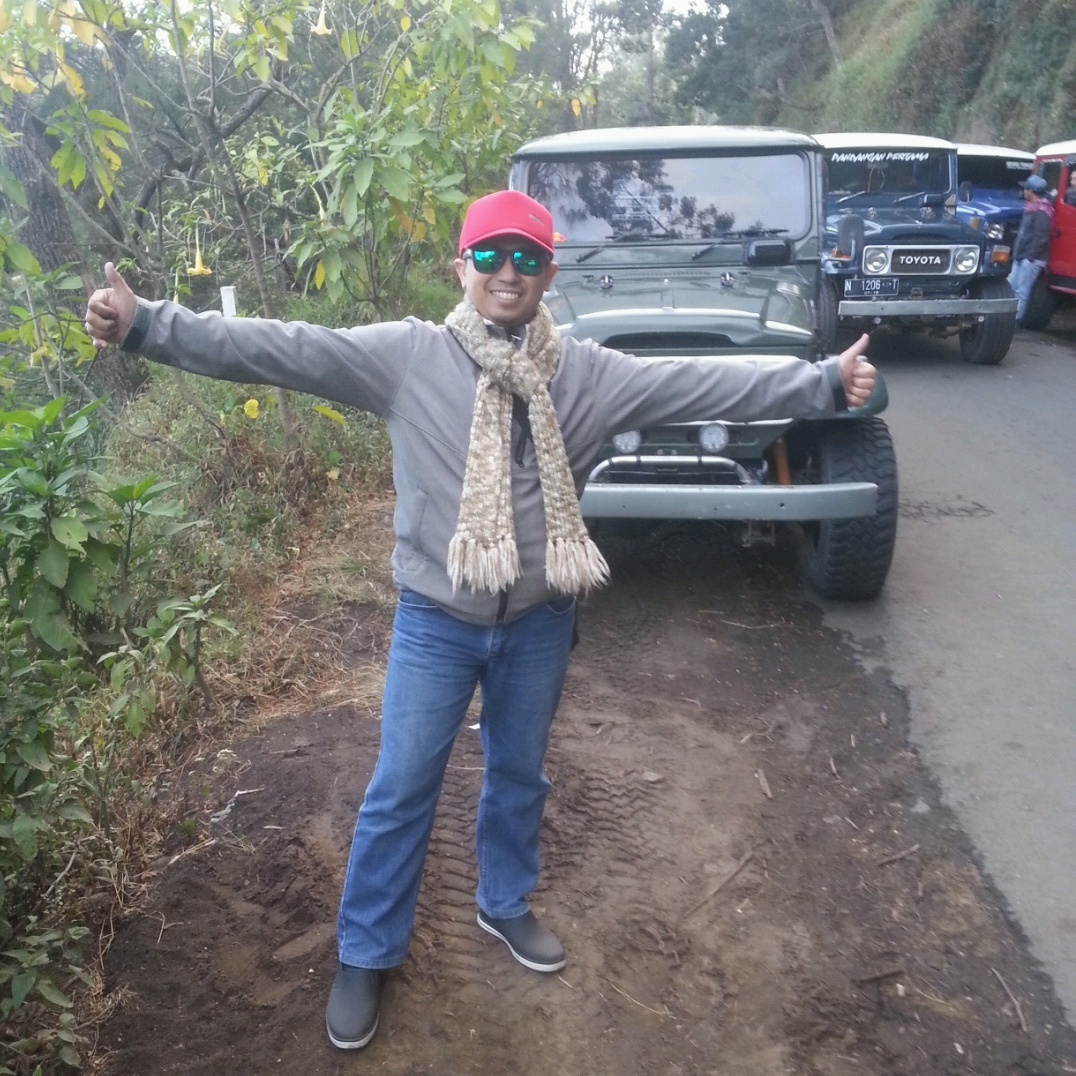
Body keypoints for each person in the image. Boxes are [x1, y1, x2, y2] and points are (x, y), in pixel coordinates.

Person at [85, 190, 877, 1051]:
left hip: (539, 620)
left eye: (526, 257)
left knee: (520, 774)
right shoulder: (409, 357)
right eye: (490, 255)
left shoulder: (588, 374)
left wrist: (823, 381)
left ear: (549, 273)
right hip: (436, 618)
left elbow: (701, 380)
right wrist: (145, 323)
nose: (508, 272)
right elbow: (282, 347)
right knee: (401, 786)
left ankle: (502, 902)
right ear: (460, 266)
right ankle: (367, 950)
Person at [1010, 174, 1054, 325]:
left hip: (1031, 259)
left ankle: (1015, 321)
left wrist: (1030, 257)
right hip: (1022, 257)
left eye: (1025, 189)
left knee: (1022, 291)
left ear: (1031, 191)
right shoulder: (1032, 208)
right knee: (1010, 287)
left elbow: (1042, 237)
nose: (1023, 192)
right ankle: (1008, 318)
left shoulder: (1041, 211)